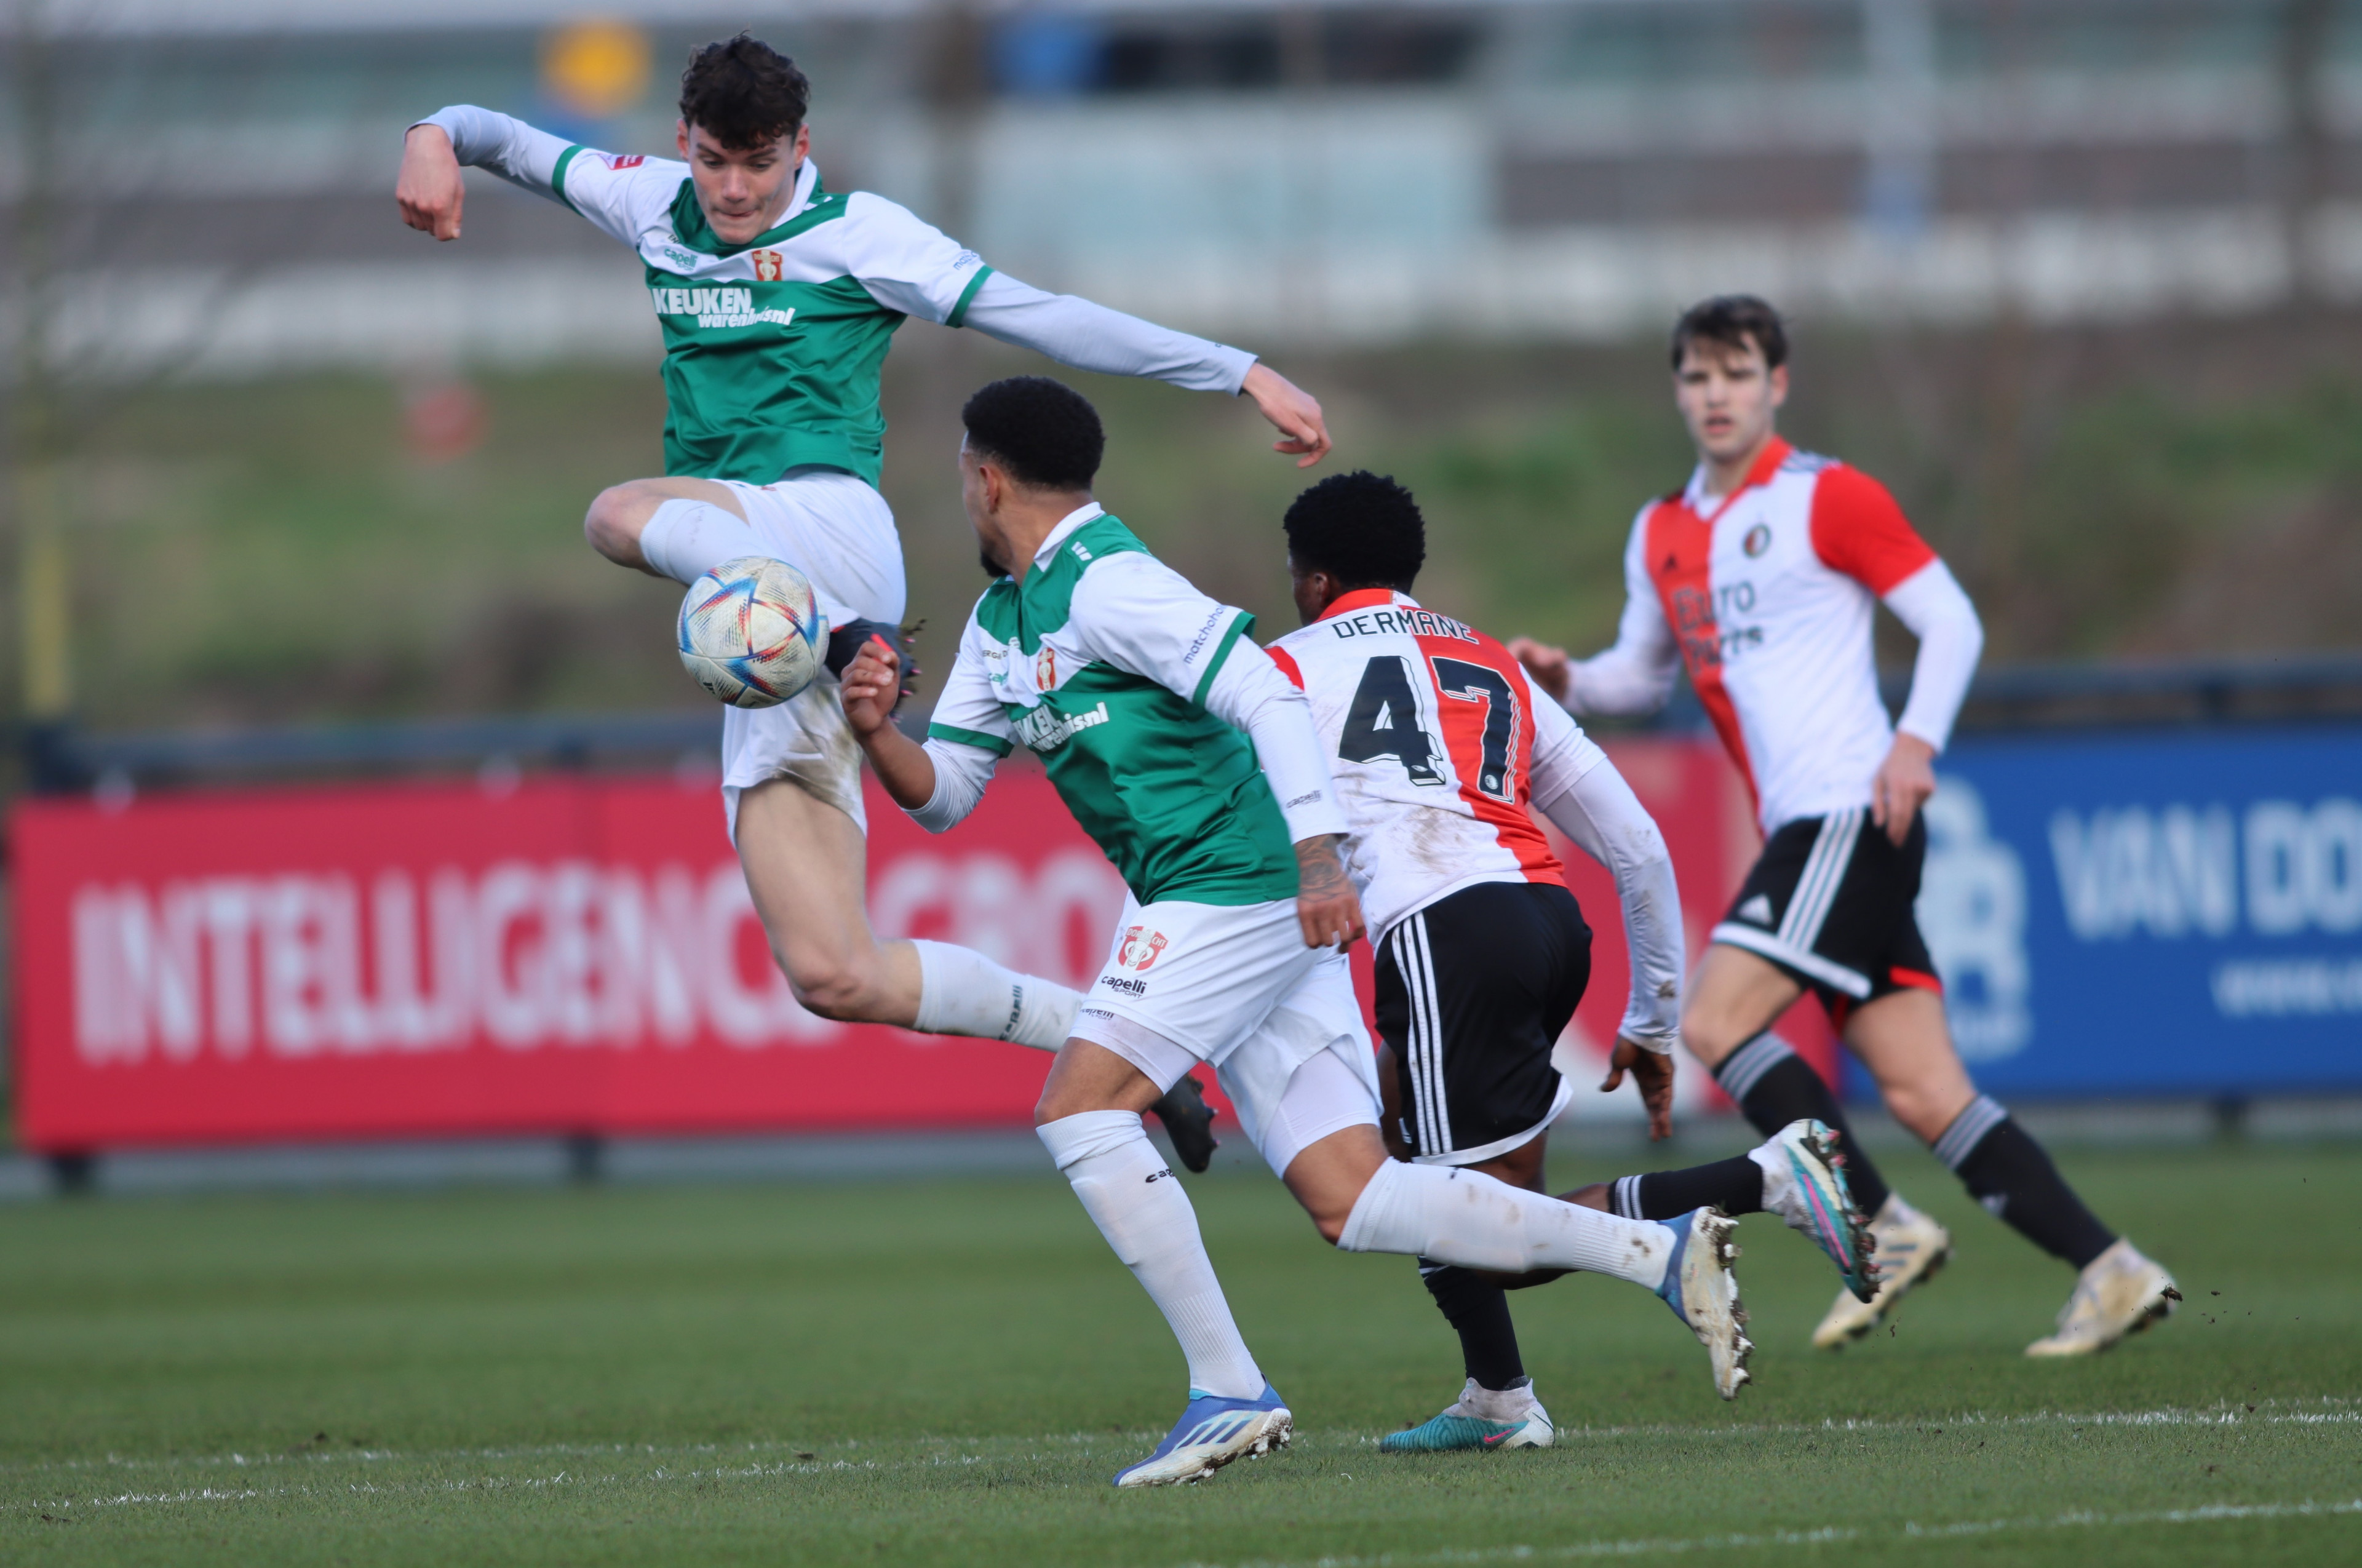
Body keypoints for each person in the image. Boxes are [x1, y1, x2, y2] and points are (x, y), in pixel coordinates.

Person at [396, 34, 1333, 1163]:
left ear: (805, 148)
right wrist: (433, 135)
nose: (736, 189)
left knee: (612, 513)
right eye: (713, 163)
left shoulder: (859, 235)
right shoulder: (646, 202)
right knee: (833, 971)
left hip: (823, 536)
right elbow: (504, 138)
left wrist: (1234, 367)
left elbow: (1040, 315)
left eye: (760, 163)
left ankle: (837, 634)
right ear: (679, 146)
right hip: (757, 594)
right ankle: (1118, 1049)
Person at [841, 377, 1753, 1487]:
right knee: (1354, 1197)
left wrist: (1320, 856)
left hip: (1242, 881)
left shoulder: (1113, 583)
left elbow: (1265, 699)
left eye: (962, 481)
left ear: (986, 479)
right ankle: (1653, 1252)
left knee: (1080, 1109)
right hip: (1231, 893)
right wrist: (877, 727)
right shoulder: (1000, 621)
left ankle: (1228, 1389)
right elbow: (944, 796)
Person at [1511, 296, 2177, 1357]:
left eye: (1738, 373)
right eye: (1697, 376)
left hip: (1848, 812)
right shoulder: (1663, 531)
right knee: (1923, 1088)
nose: (1716, 394)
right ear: (1678, 390)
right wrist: (1573, 676)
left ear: (1779, 384)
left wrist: (1915, 741)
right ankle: (2114, 1268)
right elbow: (1642, 672)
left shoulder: (1828, 497)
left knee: (1716, 1021)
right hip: (1822, 830)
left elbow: (1950, 618)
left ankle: (1881, 1224)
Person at [1267, 470, 1875, 1452]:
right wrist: (1650, 1018)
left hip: (1440, 932)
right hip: (1550, 923)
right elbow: (1636, 845)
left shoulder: (1284, 666)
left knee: (1462, 1220)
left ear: (1315, 576)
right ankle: (1498, 1396)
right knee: (1415, 1150)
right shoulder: (1488, 659)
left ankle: (1763, 1180)